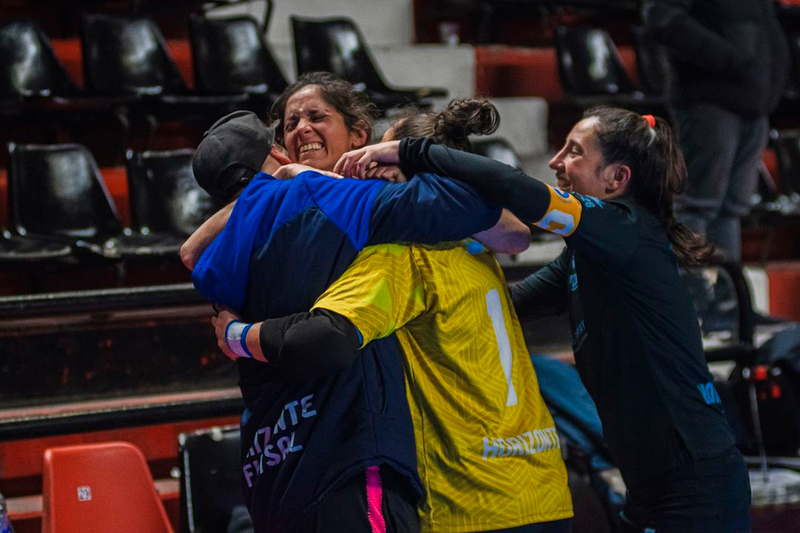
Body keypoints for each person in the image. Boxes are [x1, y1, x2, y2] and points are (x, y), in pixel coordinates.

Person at [336, 106, 751, 532]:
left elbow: (518, 192)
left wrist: (411, 152)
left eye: (574, 152)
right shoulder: (589, 255)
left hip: (695, 481)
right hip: (650, 483)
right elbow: (499, 303)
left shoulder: (624, 230)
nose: (556, 161)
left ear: (617, 179)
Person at [186, 73, 527, 533]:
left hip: (274, 466)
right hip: (356, 457)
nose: (301, 128)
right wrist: (309, 178)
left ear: (359, 136)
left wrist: (235, 335)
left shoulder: (217, 259)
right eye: (290, 123)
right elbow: (506, 224)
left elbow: (190, 253)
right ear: (277, 150)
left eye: (315, 117)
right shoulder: (348, 204)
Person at [642, 0, 789, 262]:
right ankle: (692, 297)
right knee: (698, 205)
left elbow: (766, 21)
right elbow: (663, 18)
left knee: (730, 210)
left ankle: (726, 298)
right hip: (708, 103)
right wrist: (731, 61)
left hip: (755, 105)